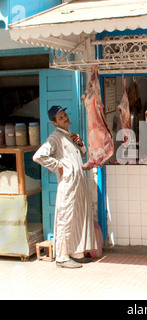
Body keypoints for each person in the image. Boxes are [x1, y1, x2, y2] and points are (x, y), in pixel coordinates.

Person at [33, 105, 97, 268]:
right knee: (66, 218)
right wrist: (58, 166)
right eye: (60, 118)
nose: (65, 118)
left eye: (65, 115)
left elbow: (82, 155)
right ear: (54, 123)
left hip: (78, 182)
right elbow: (39, 156)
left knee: (79, 216)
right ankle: (61, 258)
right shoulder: (55, 138)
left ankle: (77, 252)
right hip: (68, 183)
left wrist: (80, 143)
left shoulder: (69, 135)